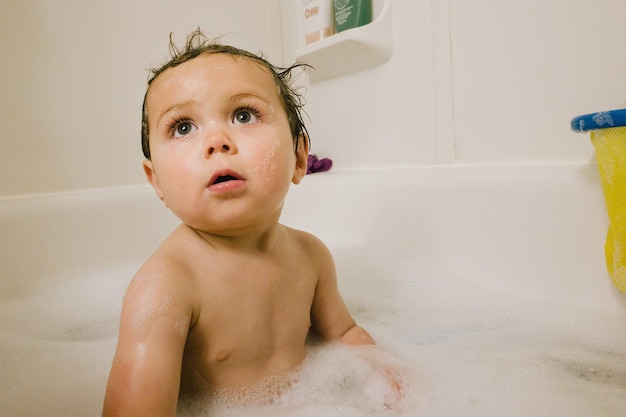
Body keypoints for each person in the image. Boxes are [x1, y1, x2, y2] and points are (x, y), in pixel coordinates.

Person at [102, 30, 388, 417]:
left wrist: (387, 374)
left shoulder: (312, 256)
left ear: (300, 158)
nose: (217, 141)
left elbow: (343, 334)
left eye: (244, 115)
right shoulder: (165, 287)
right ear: (157, 183)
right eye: (183, 127)